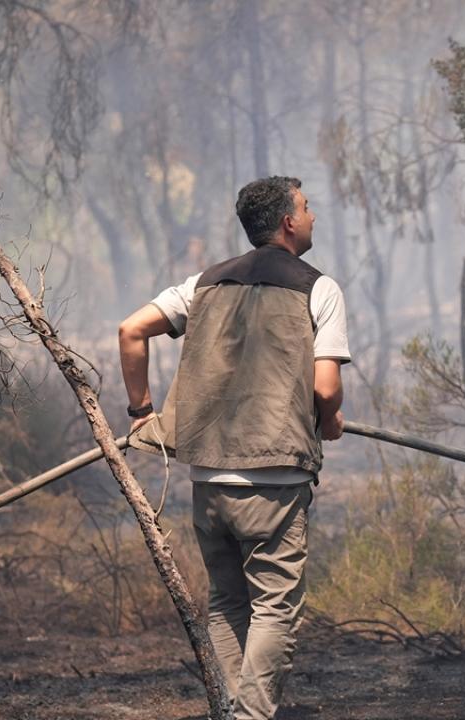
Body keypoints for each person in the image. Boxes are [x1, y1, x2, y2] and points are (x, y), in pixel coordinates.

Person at [117, 176, 350, 720]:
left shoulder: (204, 284)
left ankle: (236, 712)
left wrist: (142, 414)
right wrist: (331, 421)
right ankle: (250, 716)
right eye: (308, 207)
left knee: (226, 601)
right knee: (275, 608)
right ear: (289, 223)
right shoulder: (319, 288)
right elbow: (325, 387)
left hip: (209, 478)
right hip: (276, 478)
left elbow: (132, 330)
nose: (313, 216)